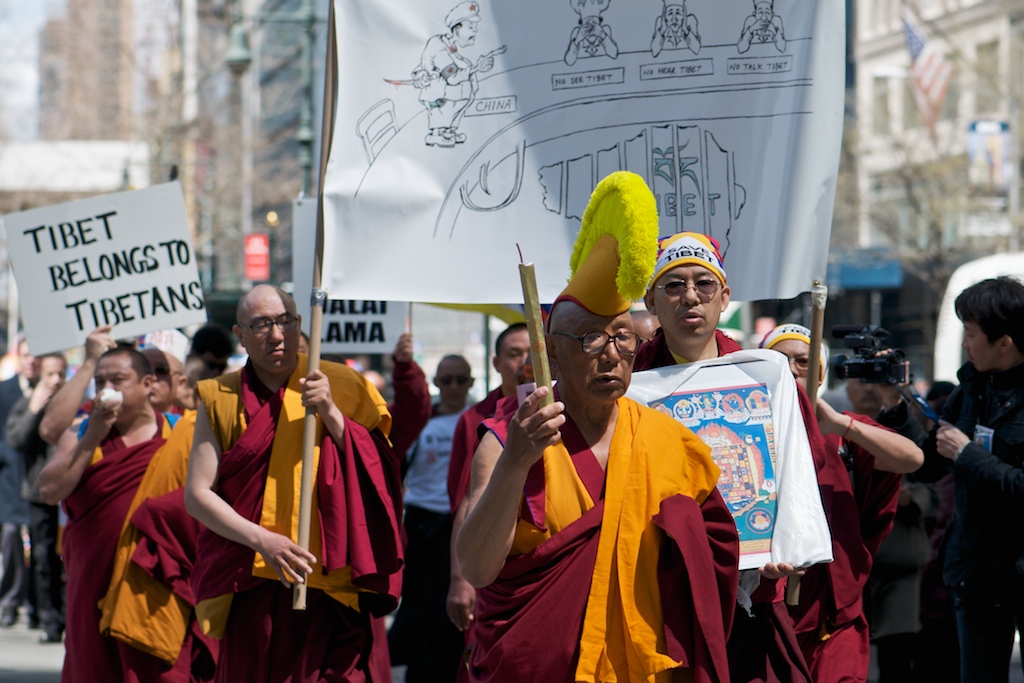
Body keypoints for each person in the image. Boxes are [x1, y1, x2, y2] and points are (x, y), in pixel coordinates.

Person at [458, 171, 738, 682]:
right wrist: (519, 461)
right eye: (590, 338)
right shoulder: (507, 440)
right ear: (552, 351)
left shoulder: (670, 441)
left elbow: (714, 556)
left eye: (623, 338)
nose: (611, 355)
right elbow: (477, 568)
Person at [184, 284, 404, 682]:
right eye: (262, 324)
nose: (277, 334)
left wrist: (333, 414)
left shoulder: (342, 384)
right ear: (240, 334)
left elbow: (382, 473)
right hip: (253, 581)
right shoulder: (221, 396)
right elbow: (198, 496)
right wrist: (263, 541)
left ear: (300, 323)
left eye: (285, 321)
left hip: (328, 581)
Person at [636, 234, 816, 682]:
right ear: (651, 302)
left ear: (725, 298)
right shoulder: (631, 385)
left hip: (755, 584)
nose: (690, 296)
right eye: (673, 285)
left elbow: (798, 465)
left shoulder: (762, 375)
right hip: (664, 585)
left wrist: (790, 545)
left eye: (704, 283)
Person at [875, 277, 1024, 683]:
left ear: (1005, 342)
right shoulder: (971, 389)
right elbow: (926, 464)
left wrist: (968, 455)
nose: (964, 344)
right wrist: (895, 403)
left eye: (971, 334)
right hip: (975, 573)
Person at [759, 324, 923, 683]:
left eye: (802, 361)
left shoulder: (841, 430)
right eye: (779, 359)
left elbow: (911, 459)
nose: (790, 369)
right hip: (768, 607)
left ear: (819, 374)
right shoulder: (749, 435)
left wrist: (837, 423)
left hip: (835, 614)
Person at [38, 347, 184, 681]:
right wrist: (92, 436)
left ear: (148, 383)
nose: (107, 389)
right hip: (93, 587)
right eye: (100, 381)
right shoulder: (81, 434)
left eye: (117, 380)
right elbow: (49, 490)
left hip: (158, 589)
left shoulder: (180, 434)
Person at [390, 355, 474, 681]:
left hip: (460, 521)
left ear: (469, 383)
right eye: (446, 380)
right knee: (420, 606)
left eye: (460, 380)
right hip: (422, 523)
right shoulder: (422, 421)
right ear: (437, 384)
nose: (453, 387)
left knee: (454, 609)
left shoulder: (477, 416)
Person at [445, 322, 529, 635]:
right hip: (490, 556)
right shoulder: (475, 419)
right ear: (495, 363)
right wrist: (460, 580)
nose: (523, 363)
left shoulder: (560, 409)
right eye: (513, 354)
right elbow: (464, 502)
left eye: (531, 353)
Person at [6, 351, 67, 643]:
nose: (56, 381)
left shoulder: (75, 403)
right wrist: (33, 410)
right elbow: (16, 440)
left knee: (67, 557)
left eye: (61, 374)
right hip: (39, 494)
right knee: (42, 558)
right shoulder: (28, 403)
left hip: (68, 495)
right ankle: (49, 620)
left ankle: (69, 617)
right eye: (50, 375)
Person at [413, 1, 497, 147]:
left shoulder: (450, 45)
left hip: (447, 96)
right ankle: (436, 134)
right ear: (457, 30)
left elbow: (460, 64)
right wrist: (477, 69)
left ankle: (448, 131)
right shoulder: (440, 47)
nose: (475, 32)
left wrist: (476, 67)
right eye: (471, 28)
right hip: (438, 97)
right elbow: (452, 76)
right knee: (443, 110)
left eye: (475, 28)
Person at [0, 338, 39, 629]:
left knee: (40, 544)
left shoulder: (52, 392)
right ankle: (10, 600)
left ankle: (37, 603)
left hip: (38, 478)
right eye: (26, 355)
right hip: (10, 478)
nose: (31, 361)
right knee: (12, 536)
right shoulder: (5, 391)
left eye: (36, 356)